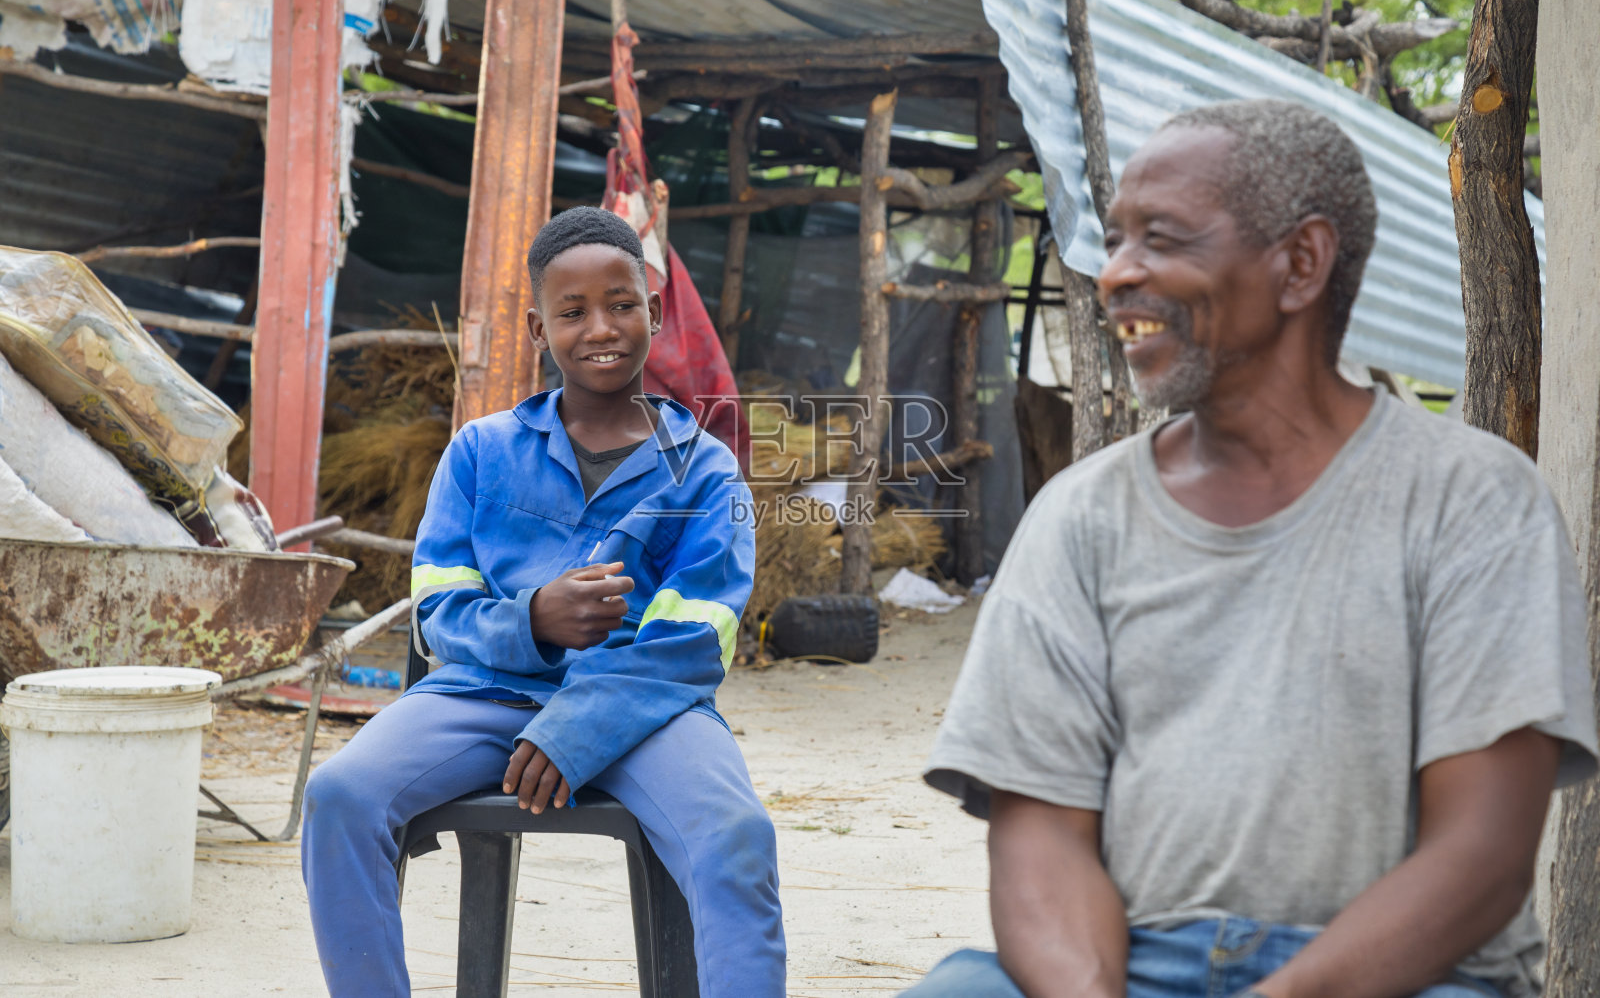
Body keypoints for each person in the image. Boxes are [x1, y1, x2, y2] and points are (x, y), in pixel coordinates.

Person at [906, 100, 1597, 998]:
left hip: (1408, 978)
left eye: (1162, 238)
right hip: (1131, 969)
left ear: (1301, 263)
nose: (1115, 273)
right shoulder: (1080, 518)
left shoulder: (1472, 501)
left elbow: (1482, 858)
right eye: (1116, 239)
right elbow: (1042, 839)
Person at [300, 206, 786, 997]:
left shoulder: (704, 472)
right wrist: (532, 619)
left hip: (646, 709)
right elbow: (437, 611)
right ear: (538, 327)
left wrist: (577, 725)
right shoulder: (480, 452)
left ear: (655, 313)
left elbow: (694, 643)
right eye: (572, 311)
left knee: (736, 833)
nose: (602, 327)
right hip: (484, 689)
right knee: (341, 795)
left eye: (622, 303)